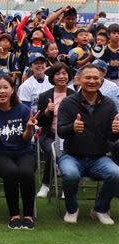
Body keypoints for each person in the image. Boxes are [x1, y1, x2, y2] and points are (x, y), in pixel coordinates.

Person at [56, 64, 119, 225]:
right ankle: (72, 209)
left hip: (99, 157)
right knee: (70, 175)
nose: (92, 81)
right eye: (88, 77)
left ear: (101, 80)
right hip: (71, 155)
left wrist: (116, 131)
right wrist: (72, 128)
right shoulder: (68, 103)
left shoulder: (109, 104)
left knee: (116, 173)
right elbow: (61, 131)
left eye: (96, 78)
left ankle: (100, 209)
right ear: (79, 79)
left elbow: (111, 137)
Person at [0, 75, 39, 229]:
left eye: (5, 87)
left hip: (24, 151)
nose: (2, 91)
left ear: (12, 90)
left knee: (26, 172)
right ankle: (14, 214)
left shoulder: (23, 110)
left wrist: (28, 128)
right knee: (11, 172)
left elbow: (27, 139)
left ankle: (28, 215)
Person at [35, 63, 74, 198]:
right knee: (54, 150)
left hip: (70, 136)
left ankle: (67, 186)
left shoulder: (75, 96)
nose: (61, 76)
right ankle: (46, 184)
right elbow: (38, 121)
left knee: (69, 152)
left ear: (69, 76)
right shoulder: (44, 96)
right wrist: (46, 111)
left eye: (64, 73)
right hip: (49, 135)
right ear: (52, 77)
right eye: (58, 74)